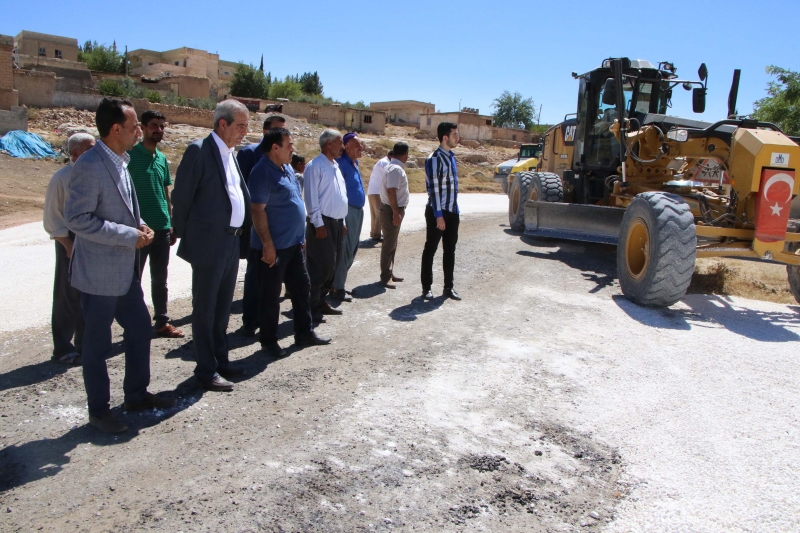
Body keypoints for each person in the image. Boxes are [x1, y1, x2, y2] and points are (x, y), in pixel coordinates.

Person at [65, 98, 176, 433]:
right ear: (116, 129)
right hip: (98, 275)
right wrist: (129, 235)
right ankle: (99, 411)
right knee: (97, 347)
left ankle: (136, 394)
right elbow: (78, 219)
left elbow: (127, 210)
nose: (139, 131)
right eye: (134, 127)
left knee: (141, 329)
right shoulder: (89, 165)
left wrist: (140, 225)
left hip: (124, 273)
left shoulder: (122, 162)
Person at [172, 99, 252, 392]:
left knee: (221, 309)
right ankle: (205, 370)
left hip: (231, 242)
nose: (245, 131)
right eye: (241, 125)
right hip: (210, 244)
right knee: (205, 309)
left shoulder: (230, 153)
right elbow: (182, 197)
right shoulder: (199, 151)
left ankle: (220, 360)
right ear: (223, 124)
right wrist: (183, 234)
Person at [248, 128, 331, 357]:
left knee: (301, 289)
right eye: (289, 145)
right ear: (275, 148)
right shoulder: (262, 172)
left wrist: (301, 236)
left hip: (293, 245)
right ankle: (268, 341)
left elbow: (294, 203)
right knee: (270, 297)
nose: (293, 149)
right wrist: (267, 244)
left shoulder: (286, 168)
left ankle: (304, 332)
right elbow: (257, 210)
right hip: (274, 248)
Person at [127, 110, 184, 338]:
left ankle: (161, 322)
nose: (158, 130)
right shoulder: (130, 155)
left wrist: (170, 223)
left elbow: (165, 191)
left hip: (161, 228)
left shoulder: (161, 158)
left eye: (162, 126)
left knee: (160, 279)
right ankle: (134, 323)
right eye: (154, 125)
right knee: (134, 280)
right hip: (138, 230)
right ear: (142, 127)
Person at [43, 132, 94, 365]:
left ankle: (84, 344)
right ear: (75, 153)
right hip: (70, 241)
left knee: (88, 295)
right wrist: (68, 245)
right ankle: (62, 348)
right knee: (67, 295)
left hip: (91, 239)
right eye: (89, 148)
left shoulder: (94, 174)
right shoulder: (62, 178)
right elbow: (53, 218)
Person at [237, 114, 287, 337]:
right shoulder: (249, 153)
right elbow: (242, 188)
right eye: (277, 131)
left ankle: (266, 318)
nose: (282, 136)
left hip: (278, 223)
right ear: (266, 132)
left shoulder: (282, 160)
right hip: (256, 221)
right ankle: (250, 320)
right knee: (255, 271)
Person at [303, 129, 348, 321]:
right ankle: (310, 306)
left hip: (337, 224)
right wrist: (318, 224)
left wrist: (343, 220)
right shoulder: (315, 166)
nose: (342, 147)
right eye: (339, 142)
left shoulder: (335, 166)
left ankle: (321, 301)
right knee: (321, 266)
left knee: (333, 264)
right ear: (328, 143)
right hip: (322, 224)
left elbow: (339, 196)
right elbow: (311, 198)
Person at [421, 122, 462, 301]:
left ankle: (448, 287)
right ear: (445, 137)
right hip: (438, 212)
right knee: (431, 249)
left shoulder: (451, 157)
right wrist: (439, 215)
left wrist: (454, 212)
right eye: (454, 134)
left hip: (452, 211)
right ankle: (426, 288)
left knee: (450, 250)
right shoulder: (434, 159)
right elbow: (434, 189)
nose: (457, 137)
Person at [331, 132, 366, 301]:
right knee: (345, 249)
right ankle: (337, 288)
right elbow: (338, 194)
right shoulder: (340, 164)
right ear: (346, 147)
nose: (361, 147)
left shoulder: (355, 163)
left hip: (358, 211)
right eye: (357, 145)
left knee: (352, 248)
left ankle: (337, 284)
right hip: (347, 211)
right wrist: (343, 218)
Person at [380, 142, 411, 288]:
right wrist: (395, 212)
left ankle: (389, 272)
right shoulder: (395, 169)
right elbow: (391, 191)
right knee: (389, 243)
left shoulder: (393, 167)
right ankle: (385, 276)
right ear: (405, 154)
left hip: (392, 209)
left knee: (392, 243)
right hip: (392, 209)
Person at [367, 150, 392, 241]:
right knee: (379, 213)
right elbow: (387, 178)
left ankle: (375, 233)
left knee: (375, 213)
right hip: (377, 191)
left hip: (373, 190)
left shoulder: (383, 161)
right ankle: (376, 234)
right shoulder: (385, 163)